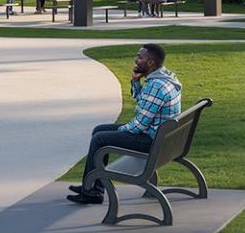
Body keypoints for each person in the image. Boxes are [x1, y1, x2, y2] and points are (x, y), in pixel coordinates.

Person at [68, 43, 182, 204]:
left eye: (140, 57)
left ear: (150, 63)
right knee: (99, 130)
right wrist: (135, 82)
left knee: (100, 138)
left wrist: (121, 130)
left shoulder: (156, 86)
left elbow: (140, 124)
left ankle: (92, 191)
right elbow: (143, 101)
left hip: (150, 141)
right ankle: (92, 186)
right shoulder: (165, 77)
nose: (136, 60)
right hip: (161, 139)